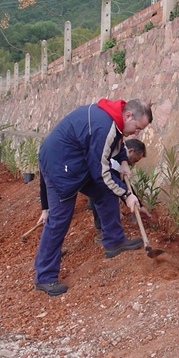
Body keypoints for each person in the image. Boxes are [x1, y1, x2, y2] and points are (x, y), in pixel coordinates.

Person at [34, 98, 152, 296]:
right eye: (138, 128)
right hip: (60, 165)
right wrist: (126, 195)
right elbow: (101, 173)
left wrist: (123, 160)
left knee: (105, 193)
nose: (137, 133)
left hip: (76, 161)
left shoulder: (115, 118)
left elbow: (118, 140)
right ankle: (44, 276)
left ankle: (114, 241)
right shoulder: (104, 126)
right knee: (60, 219)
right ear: (129, 115)